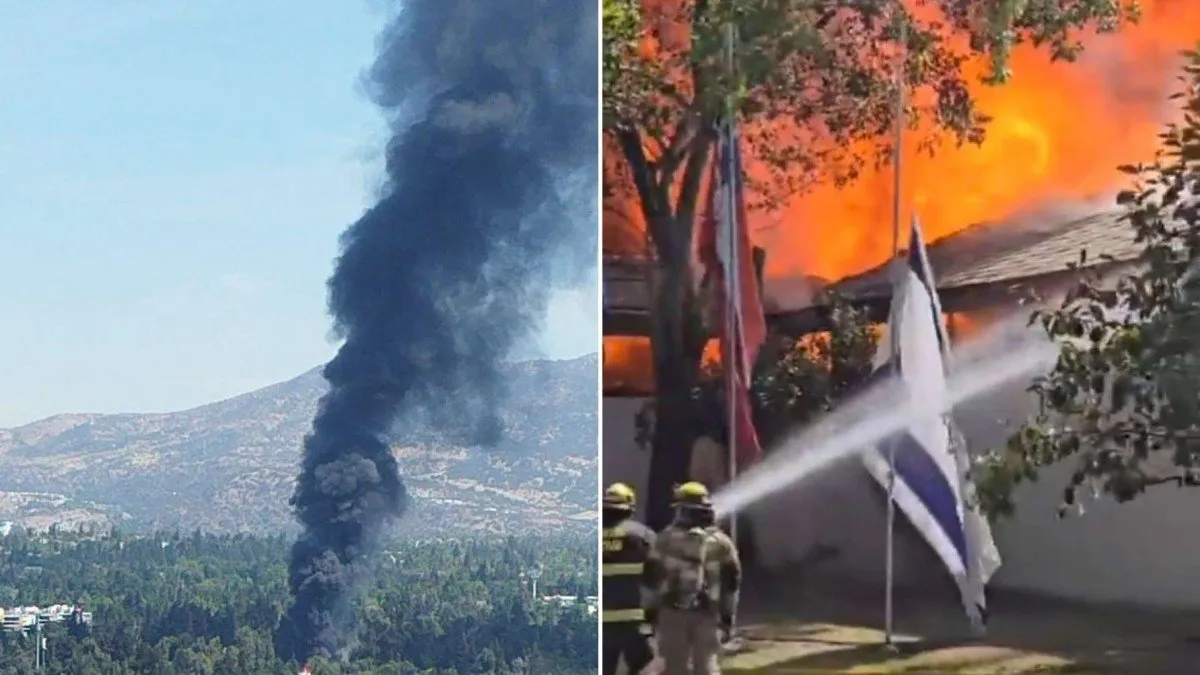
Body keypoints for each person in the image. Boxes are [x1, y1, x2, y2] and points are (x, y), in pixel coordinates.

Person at [644, 481, 741, 675]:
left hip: (671, 613)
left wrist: (650, 615)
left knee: (674, 668)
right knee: (706, 666)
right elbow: (731, 584)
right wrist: (727, 619)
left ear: (681, 510)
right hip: (708, 614)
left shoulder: (663, 540)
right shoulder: (722, 542)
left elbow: (651, 579)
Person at [602, 482, 657, 675]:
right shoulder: (643, 536)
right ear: (629, 508)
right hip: (634, 626)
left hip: (601, 626)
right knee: (644, 667)